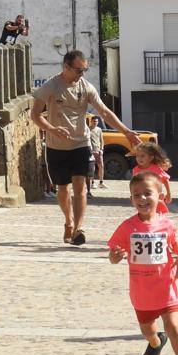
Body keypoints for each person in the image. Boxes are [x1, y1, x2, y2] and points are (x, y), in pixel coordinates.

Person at [31, 50, 141, 247]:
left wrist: (126, 131)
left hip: (81, 144)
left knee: (80, 186)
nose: (82, 74)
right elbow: (35, 115)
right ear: (65, 67)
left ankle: (78, 229)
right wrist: (52, 129)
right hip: (56, 146)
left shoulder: (86, 87)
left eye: (85, 70)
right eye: (78, 70)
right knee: (63, 188)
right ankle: (68, 221)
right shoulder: (51, 86)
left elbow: (105, 112)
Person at [108, 171, 178, 355]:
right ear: (131, 199)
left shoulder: (166, 224)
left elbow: (176, 243)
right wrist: (115, 256)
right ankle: (156, 343)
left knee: (173, 325)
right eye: (136, 195)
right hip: (142, 290)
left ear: (160, 195)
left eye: (147, 193)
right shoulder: (127, 227)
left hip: (165, 285)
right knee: (147, 330)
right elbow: (113, 253)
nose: (142, 199)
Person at [132, 141, 172, 213]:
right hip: (142, 197)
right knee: (144, 213)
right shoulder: (135, 170)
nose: (139, 158)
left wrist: (168, 194)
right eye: (137, 156)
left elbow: (165, 180)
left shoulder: (156, 169)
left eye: (142, 156)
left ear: (150, 158)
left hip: (155, 197)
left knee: (156, 214)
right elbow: (135, 184)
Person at [89, 115, 106, 190]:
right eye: (94, 121)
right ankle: (92, 183)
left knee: (101, 165)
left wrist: (101, 149)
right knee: (92, 167)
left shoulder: (99, 129)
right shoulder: (88, 129)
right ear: (91, 121)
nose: (96, 122)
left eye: (97, 121)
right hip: (91, 151)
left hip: (98, 150)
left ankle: (101, 182)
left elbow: (101, 140)